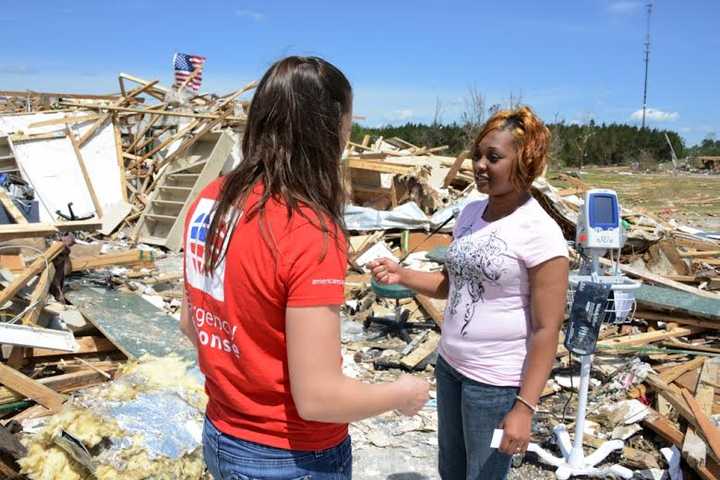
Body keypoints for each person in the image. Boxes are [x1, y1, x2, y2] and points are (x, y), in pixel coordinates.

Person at [180, 56, 429, 480]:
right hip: (288, 457)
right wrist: (400, 392)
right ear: (331, 127)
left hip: (221, 434)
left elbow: (191, 324)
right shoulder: (307, 229)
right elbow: (317, 398)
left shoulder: (212, 199)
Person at [369, 106, 569, 479]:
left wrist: (524, 408)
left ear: (524, 162)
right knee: (452, 470)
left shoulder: (540, 232)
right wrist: (403, 275)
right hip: (450, 368)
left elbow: (547, 330)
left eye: (493, 157)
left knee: (483, 475)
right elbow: (452, 285)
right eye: (477, 155)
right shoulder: (471, 214)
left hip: (494, 382)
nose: (479, 165)